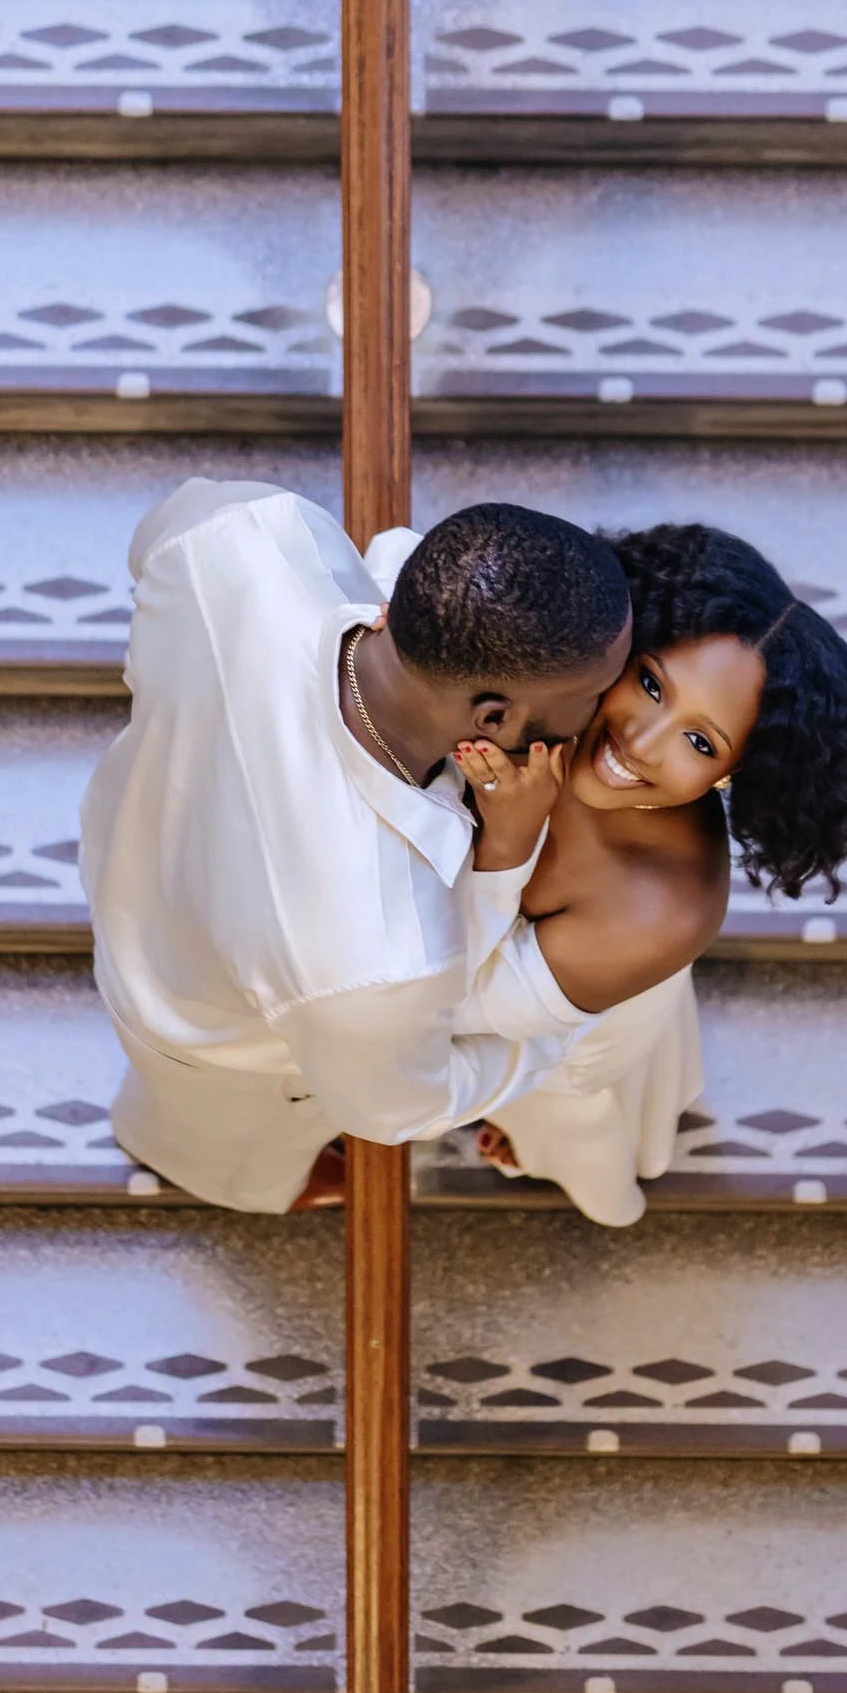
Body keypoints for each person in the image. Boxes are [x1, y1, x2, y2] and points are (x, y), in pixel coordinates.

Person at [78, 479, 634, 1213]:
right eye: (596, 693)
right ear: (494, 717)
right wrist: (563, 1030)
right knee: (222, 1143)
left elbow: (151, 543)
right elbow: (395, 1110)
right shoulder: (375, 960)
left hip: (134, 852)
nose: (609, 706)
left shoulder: (248, 535)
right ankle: (245, 1183)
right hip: (202, 1027)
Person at [450, 521, 847, 1226]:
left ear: (739, 771)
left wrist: (507, 839)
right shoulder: (570, 687)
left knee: (560, 1112)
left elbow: (457, 1005)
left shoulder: (665, 905)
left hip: (555, 1024)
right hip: (575, 970)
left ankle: (595, 1187)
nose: (639, 742)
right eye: (651, 683)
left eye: (699, 741)